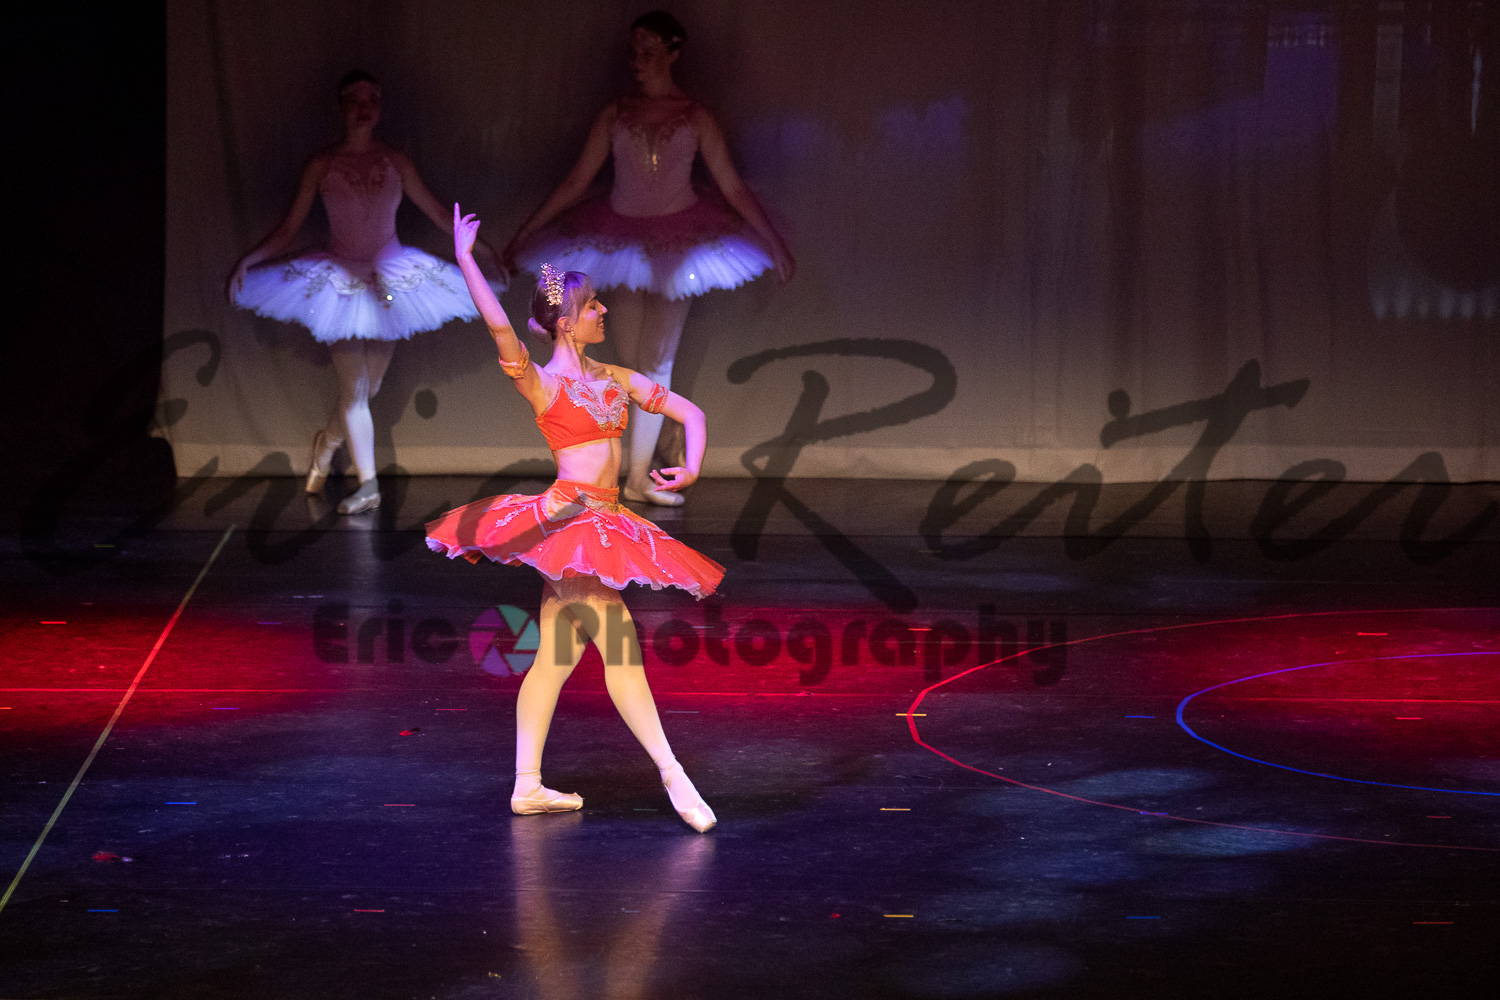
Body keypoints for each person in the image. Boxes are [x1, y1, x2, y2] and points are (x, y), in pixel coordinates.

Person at [428, 204, 722, 832]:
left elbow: (690, 414)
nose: (604, 311)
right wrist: (464, 260)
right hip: (569, 525)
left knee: (555, 659)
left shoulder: (615, 378)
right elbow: (498, 325)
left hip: (606, 521)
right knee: (621, 650)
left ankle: (527, 785)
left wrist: (692, 467)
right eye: (593, 306)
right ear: (565, 321)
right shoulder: (542, 385)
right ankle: (674, 776)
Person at [503, 10, 794, 507]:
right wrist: (526, 232)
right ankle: (637, 466)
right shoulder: (616, 112)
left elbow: (731, 186)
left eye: (649, 52)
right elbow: (577, 181)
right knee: (632, 361)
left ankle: (639, 475)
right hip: (622, 242)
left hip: (676, 245)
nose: (637, 60)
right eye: (633, 52)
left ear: (673, 53)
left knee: (657, 359)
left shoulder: (695, 116)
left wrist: (774, 241)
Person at [229, 70, 499, 514]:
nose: (364, 106)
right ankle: (368, 486)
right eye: (355, 99)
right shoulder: (322, 165)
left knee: (369, 388)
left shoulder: (395, 161)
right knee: (354, 391)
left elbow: (437, 213)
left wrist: (484, 253)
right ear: (341, 106)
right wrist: (249, 260)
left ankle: (326, 445)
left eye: (372, 98)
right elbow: (290, 228)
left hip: (392, 280)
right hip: (341, 283)